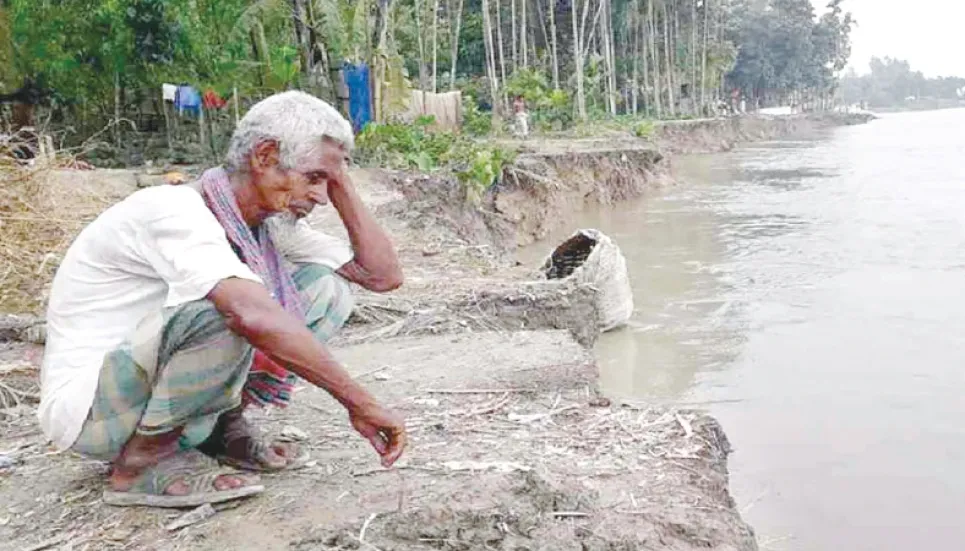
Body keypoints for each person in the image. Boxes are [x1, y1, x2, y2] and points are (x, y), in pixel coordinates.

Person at [38, 91, 407, 508]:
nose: (321, 197)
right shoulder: (172, 210)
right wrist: (361, 404)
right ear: (265, 156)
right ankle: (144, 463)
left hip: (142, 396)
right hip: (93, 414)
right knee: (236, 311)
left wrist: (337, 175)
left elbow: (381, 275)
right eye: (315, 178)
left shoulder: (269, 227)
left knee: (325, 290)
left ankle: (220, 431)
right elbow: (248, 314)